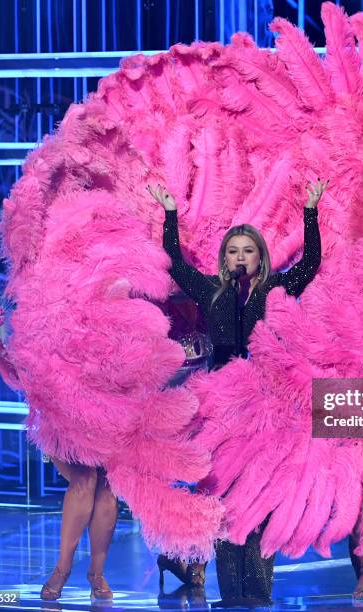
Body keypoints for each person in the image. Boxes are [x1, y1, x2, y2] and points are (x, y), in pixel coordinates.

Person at [149, 178, 325, 606]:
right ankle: (232, 595)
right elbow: (174, 264)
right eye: (233, 251)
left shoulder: (275, 291)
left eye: (248, 250)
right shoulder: (211, 292)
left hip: (265, 409)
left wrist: (311, 212)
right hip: (222, 411)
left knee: (259, 496)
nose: (240, 257)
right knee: (224, 499)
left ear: (260, 257)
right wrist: (170, 215)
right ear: (224, 258)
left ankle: (260, 594)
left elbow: (310, 264)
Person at [40, 460, 118, 601]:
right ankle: (62, 570)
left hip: (112, 440)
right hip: (70, 439)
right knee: (84, 479)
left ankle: (97, 573)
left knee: (108, 487)